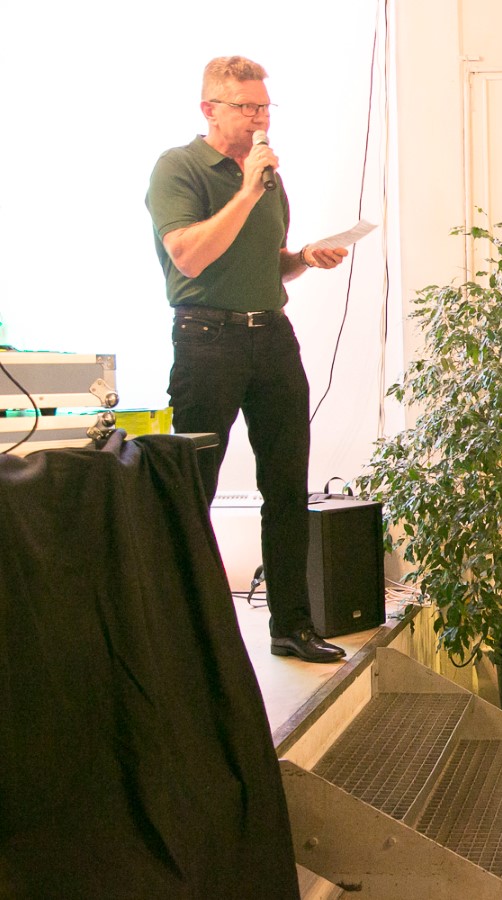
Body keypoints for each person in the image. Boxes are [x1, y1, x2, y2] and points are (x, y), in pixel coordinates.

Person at [146, 56, 348, 664]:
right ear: (209, 109)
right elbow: (189, 256)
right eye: (246, 107)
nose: (260, 118)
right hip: (207, 339)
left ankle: (292, 626)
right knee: (194, 487)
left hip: (272, 338)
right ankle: (186, 636)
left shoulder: (267, 178)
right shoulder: (179, 167)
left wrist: (303, 257)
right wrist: (245, 189)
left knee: (287, 487)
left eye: (264, 106)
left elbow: (266, 261)